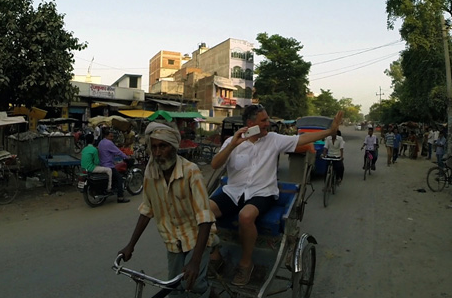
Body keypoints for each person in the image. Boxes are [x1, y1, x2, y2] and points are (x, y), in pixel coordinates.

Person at [208, 106, 343, 286]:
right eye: (263, 121)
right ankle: (215, 254)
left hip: (262, 193)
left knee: (246, 216)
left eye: (267, 120)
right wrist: (233, 144)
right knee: (202, 211)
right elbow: (215, 164)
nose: (268, 124)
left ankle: (246, 264)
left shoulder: (273, 139)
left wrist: (330, 131)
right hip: (234, 192)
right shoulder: (232, 143)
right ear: (250, 124)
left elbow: (301, 139)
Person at [118, 122, 215, 298]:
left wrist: (195, 260)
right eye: (154, 147)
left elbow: (205, 218)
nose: (157, 153)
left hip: (195, 238)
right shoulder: (150, 175)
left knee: (194, 285)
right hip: (173, 241)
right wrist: (130, 246)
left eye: (162, 146)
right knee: (174, 290)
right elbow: (147, 210)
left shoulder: (191, 172)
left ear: (173, 147)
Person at [98, 127, 130, 203]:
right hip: (108, 165)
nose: (112, 138)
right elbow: (118, 152)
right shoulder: (109, 143)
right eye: (111, 136)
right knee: (120, 179)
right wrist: (126, 157)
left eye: (112, 136)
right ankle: (120, 198)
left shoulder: (101, 142)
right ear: (106, 136)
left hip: (102, 164)